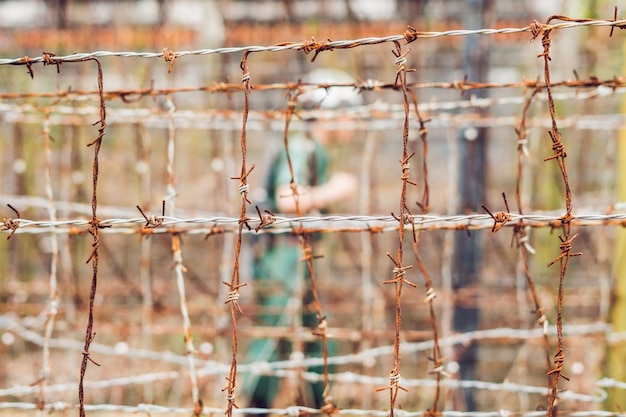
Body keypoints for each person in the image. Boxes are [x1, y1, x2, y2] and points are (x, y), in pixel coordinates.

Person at [244, 68, 361, 414]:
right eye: (349, 112)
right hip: (284, 257)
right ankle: (254, 408)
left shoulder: (315, 149)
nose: (353, 122)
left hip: (299, 256)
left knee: (317, 343)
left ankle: (317, 405)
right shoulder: (301, 145)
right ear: (328, 113)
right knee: (272, 341)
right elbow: (287, 198)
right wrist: (334, 190)